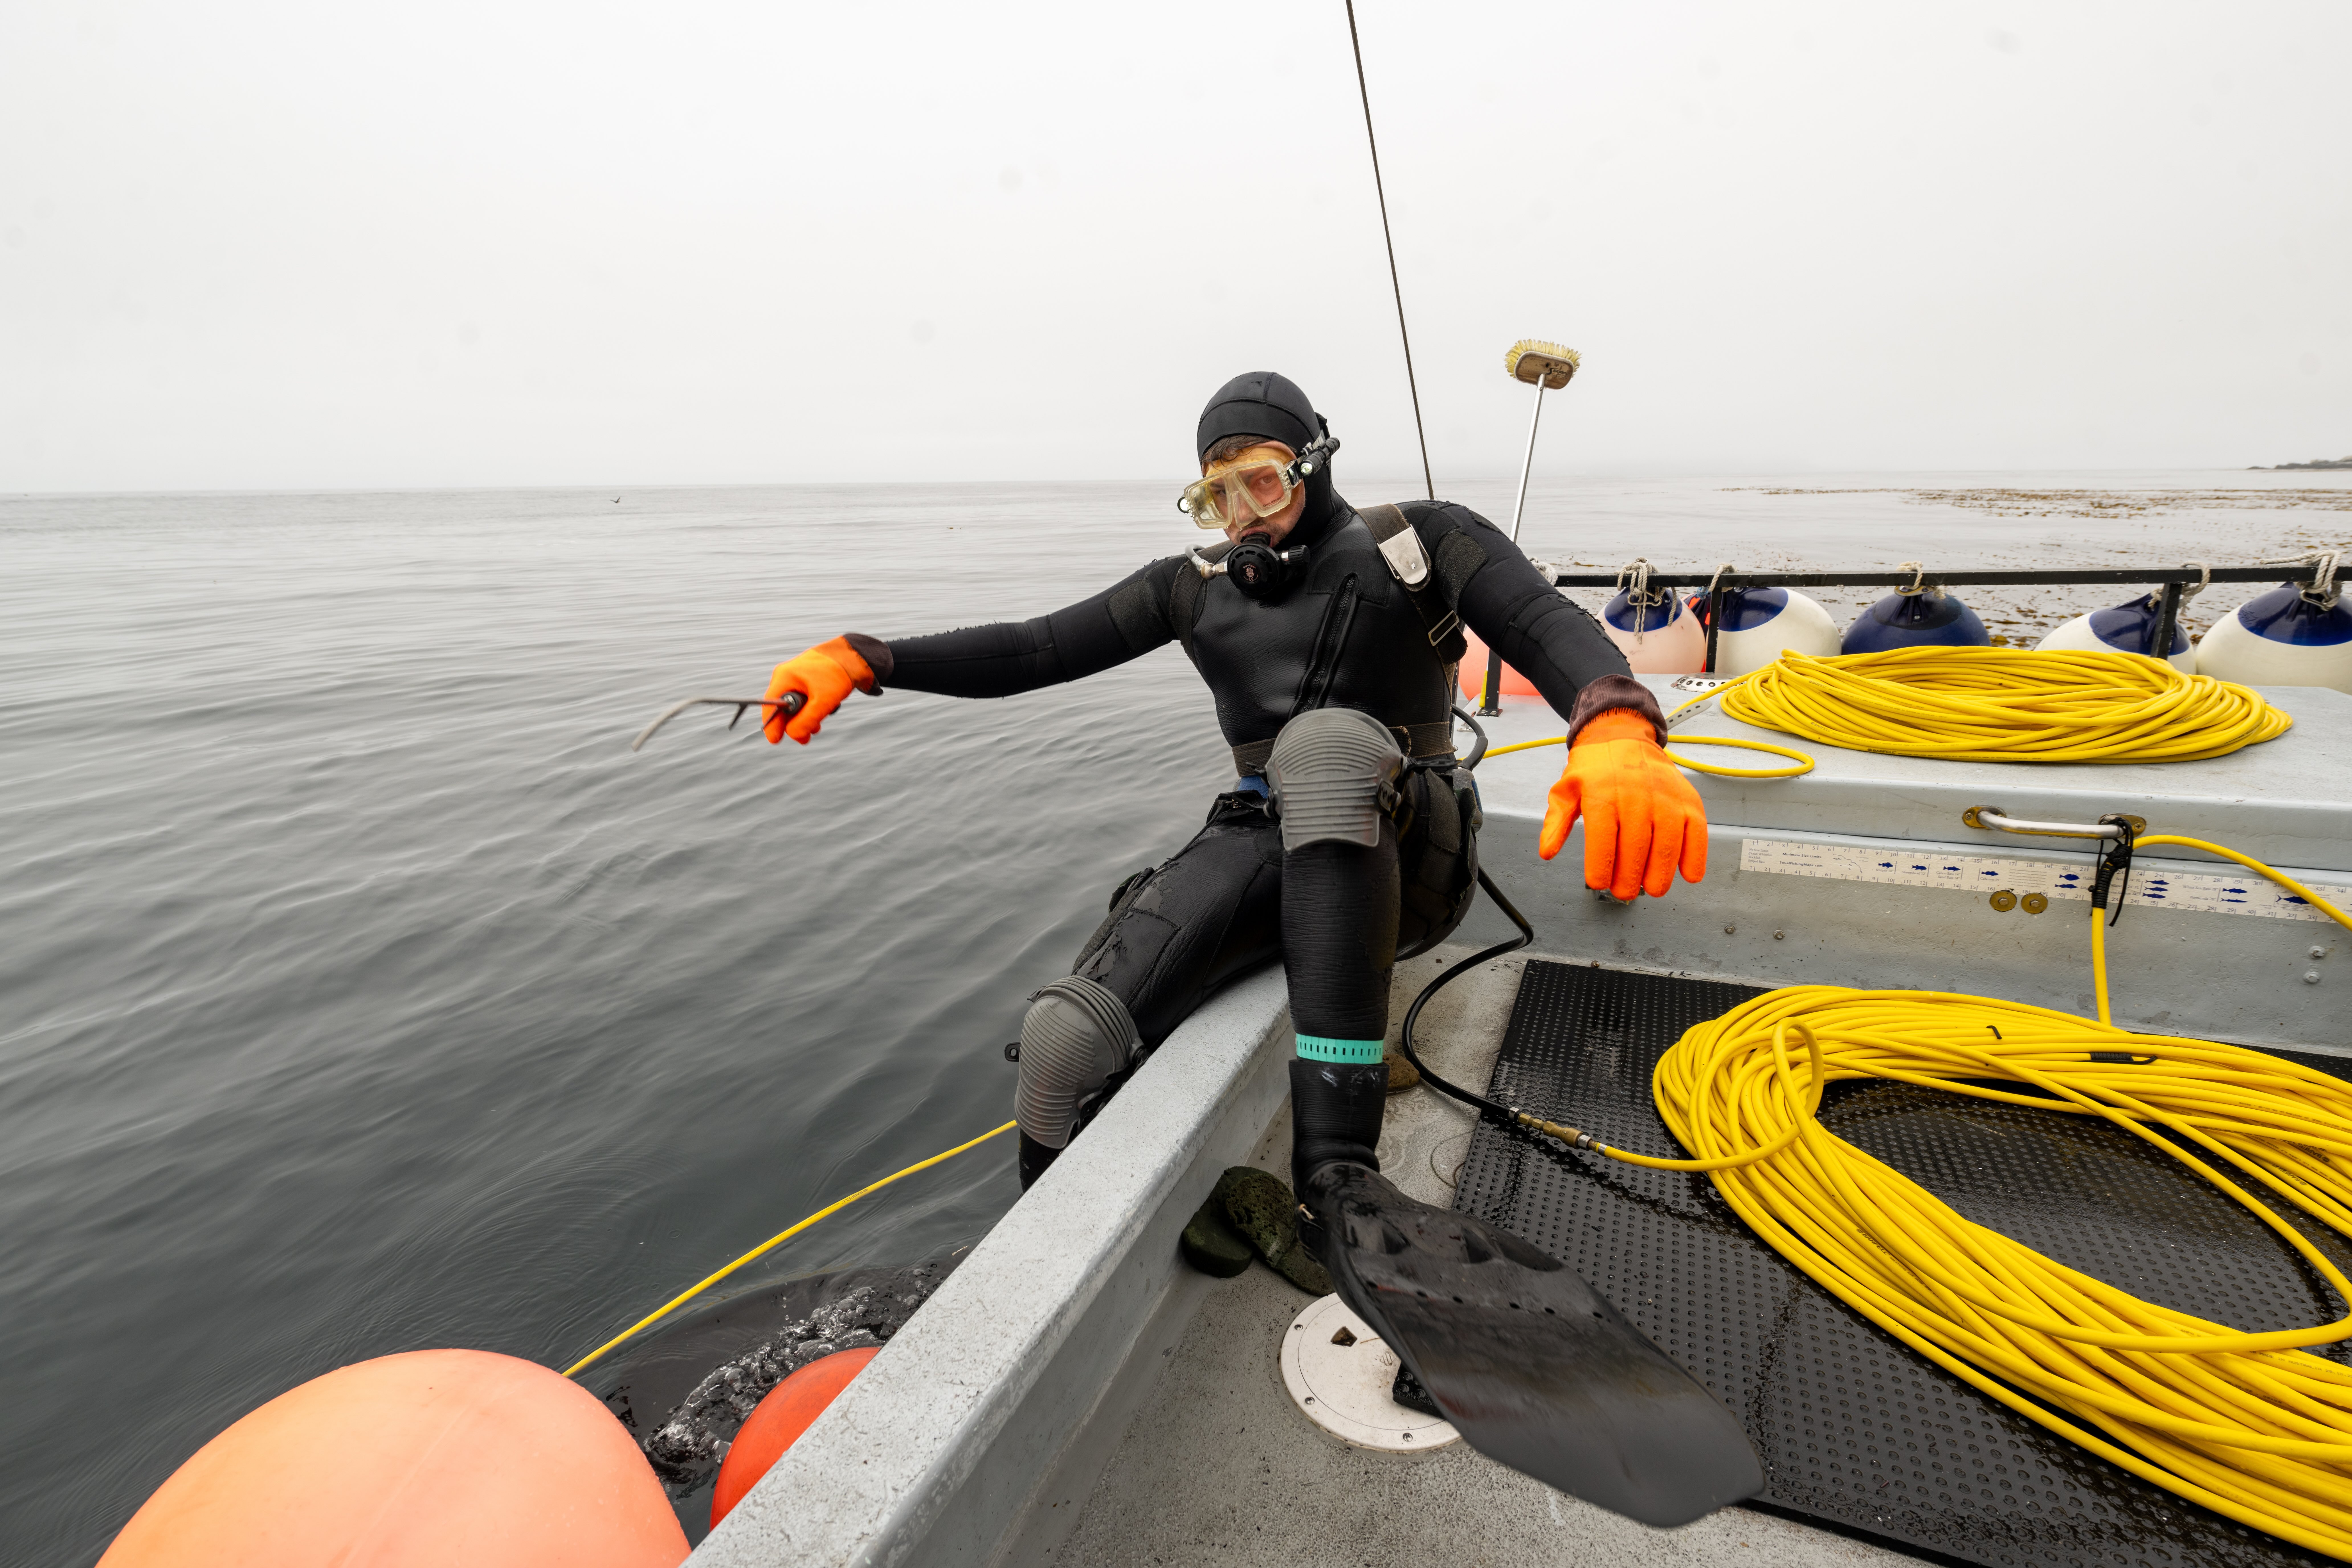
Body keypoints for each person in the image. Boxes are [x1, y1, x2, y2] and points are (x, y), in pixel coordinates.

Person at [755, 371, 1706, 1215]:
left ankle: (1341, 1175)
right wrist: (868, 657)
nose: (1246, 515)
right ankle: (1047, 1240)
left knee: (1327, 745)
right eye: (1218, 496)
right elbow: (1034, 649)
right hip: (1278, 839)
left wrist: (1617, 721)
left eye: (1265, 480)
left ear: (1316, 463)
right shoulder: (1191, 588)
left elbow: (1542, 620)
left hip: (1412, 852)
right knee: (1061, 1040)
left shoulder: (1423, 541)